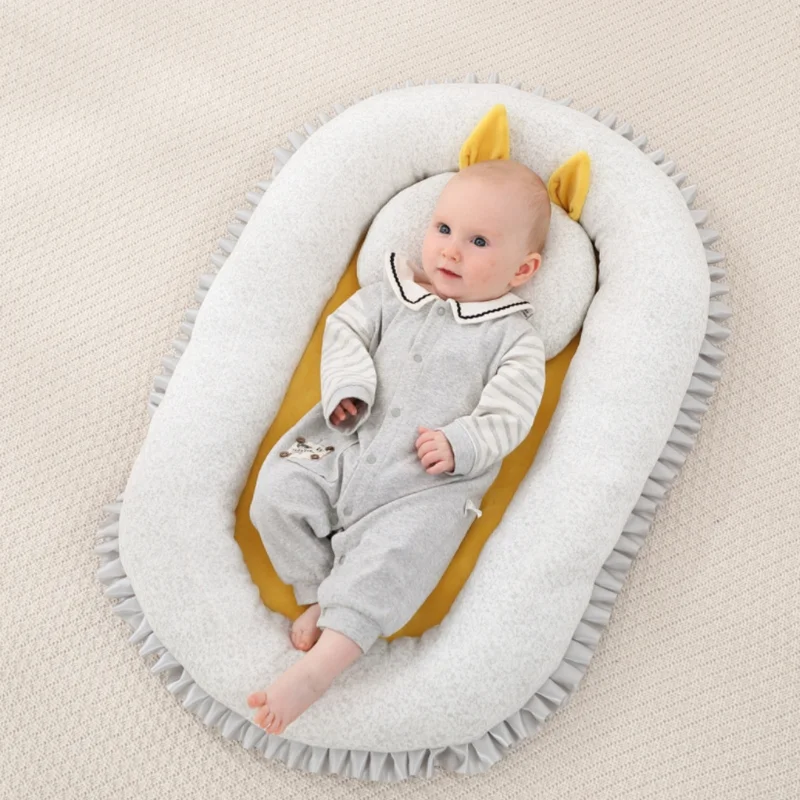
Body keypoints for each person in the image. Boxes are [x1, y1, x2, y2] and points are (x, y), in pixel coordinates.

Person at [247, 158, 550, 735]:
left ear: (523, 268)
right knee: (278, 492)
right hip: (343, 443)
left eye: (478, 241)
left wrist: (462, 442)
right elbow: (344, 331)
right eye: (443, 229)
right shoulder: (391, 295)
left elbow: (512, 413)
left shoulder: (513, 340)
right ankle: (318, 592)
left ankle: (320, 670)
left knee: (398, 560)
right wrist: (348, 387)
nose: (451, 250)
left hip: (424, 486)